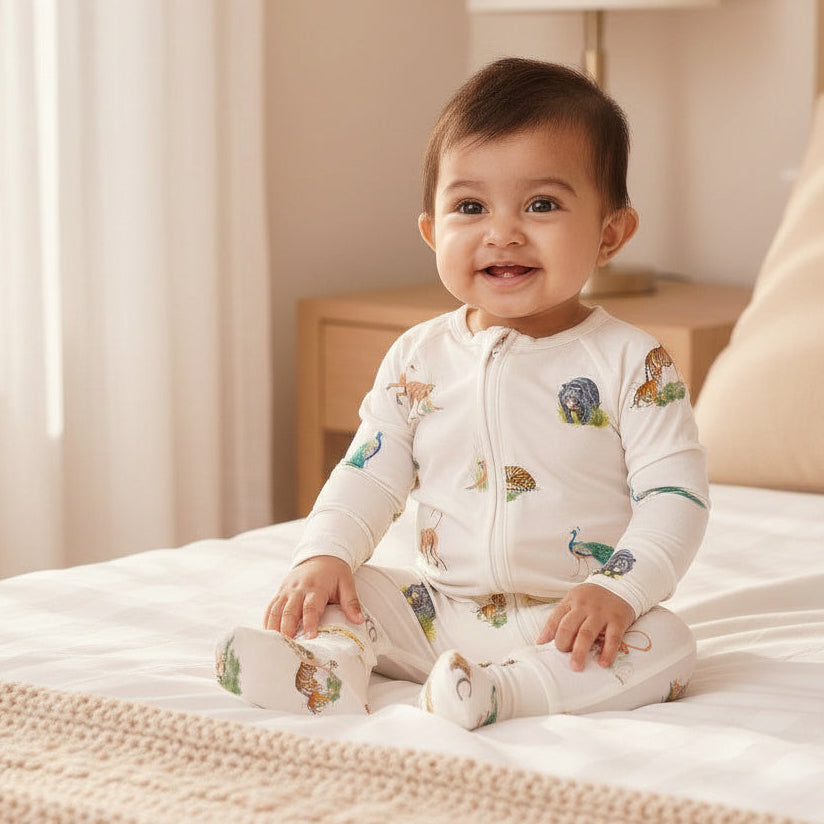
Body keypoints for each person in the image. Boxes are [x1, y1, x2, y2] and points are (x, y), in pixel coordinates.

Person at [215, 58, 709, 729]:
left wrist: (616, 590)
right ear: (432, 232)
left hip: (570, 617)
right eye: (470, 207)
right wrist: (324, 552)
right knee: (350, 589)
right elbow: (370, 472)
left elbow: (673, 500)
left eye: (541, 205)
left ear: (610, 233)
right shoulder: (419, 356)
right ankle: (327, 670)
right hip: (438, 609)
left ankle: (504, 693)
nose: (501, 231)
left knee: (670, 646)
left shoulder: (631, 361)